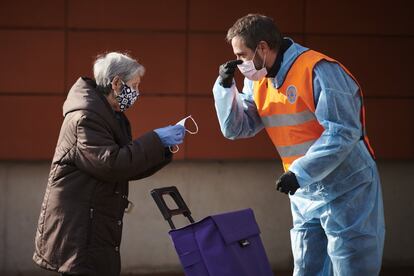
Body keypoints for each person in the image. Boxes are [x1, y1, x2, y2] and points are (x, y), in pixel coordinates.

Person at [212, 14, 385, 275]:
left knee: (350, 266)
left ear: (262, 48)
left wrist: (300, 172)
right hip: (305, 189)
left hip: (347, 185)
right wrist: (225, 89)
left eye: (243, 55)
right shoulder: (257, 80)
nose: (240, 63)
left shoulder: (318, 69)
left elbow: (343, 132)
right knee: (307, 266)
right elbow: (237, 128)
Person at [33, 52, 185, 276]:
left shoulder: (111, 115)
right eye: (133, 86)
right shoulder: (85, 118)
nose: (136, 93)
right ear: (116, 83)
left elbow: (128, 164)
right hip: (78, 227)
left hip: (94, 220)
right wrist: (156, 138)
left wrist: (163, 148)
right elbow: (112, 164)